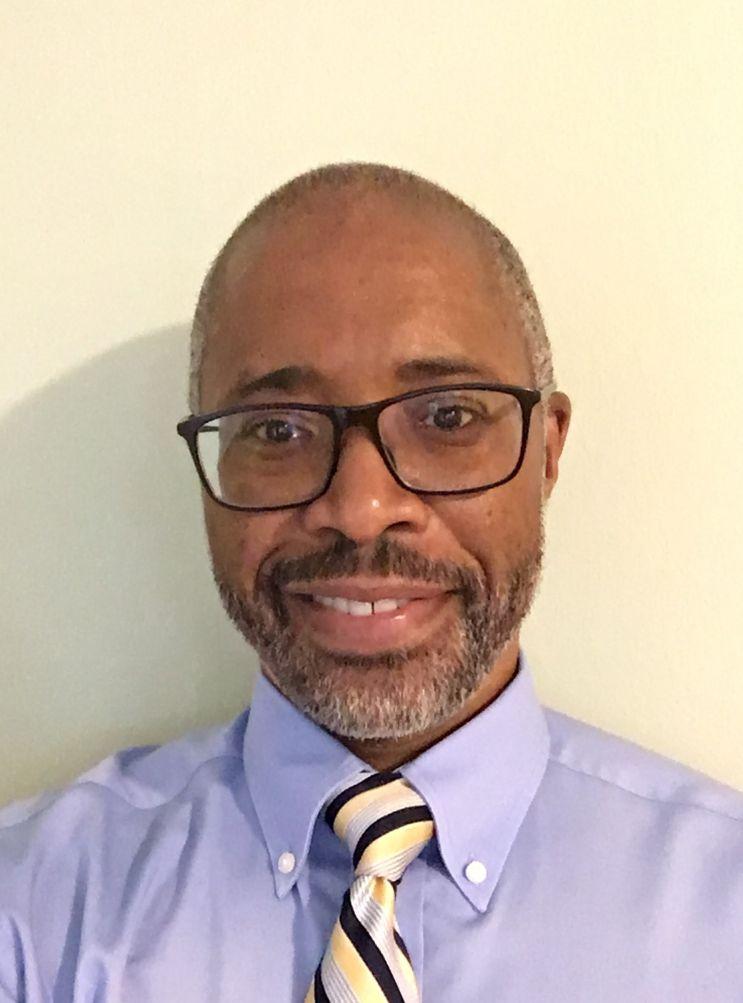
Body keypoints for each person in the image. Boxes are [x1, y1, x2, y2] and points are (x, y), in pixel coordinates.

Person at [1, 163, 741, 1002]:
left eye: (448, 417)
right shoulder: (30, 916)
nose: (360, 507)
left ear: (547, 450)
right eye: (277, 429)